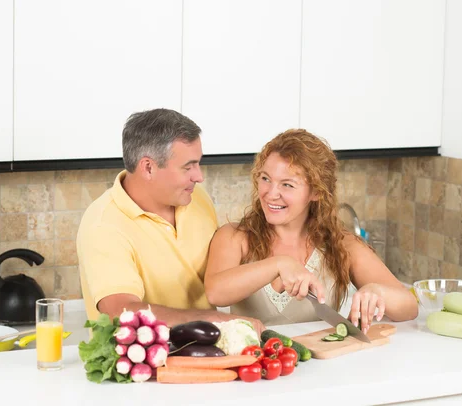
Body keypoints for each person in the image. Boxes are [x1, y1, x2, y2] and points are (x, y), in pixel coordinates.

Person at [204, 129, 418, 333]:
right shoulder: (235, 236)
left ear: (315, 192)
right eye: (265, 178)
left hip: (320, 366)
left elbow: (410, 306)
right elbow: (215, 292)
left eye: (287, 185)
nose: (270, 194)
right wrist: (279, 264)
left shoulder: (342, 244)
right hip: (258, 366)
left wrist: (378, 292)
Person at [77, 108, 264, 332]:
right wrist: (213, 320)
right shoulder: (104, 225)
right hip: (141, 361)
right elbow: (121, 310)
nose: (199, 176)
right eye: (188, 167)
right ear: (148, 167)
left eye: (198, 163)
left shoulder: (197, 198)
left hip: (204, 351)